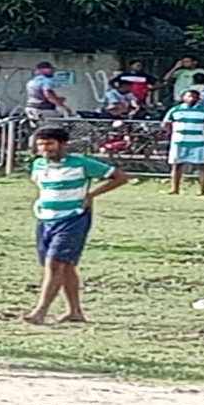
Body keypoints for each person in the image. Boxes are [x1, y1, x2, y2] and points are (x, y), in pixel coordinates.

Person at [23, 126, 128, 325]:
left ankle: (40, 311)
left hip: (73, 218)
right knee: (66, 266)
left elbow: (120, 177)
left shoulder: (81, 163)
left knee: (55, 263)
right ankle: (74, 311)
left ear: (63, 144)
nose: (45, 148)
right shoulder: (38, 164)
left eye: (49, 144)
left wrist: (91, 195)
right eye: (41, 144)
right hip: (45, 218)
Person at [163, 89, 204, 196]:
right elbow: (166, 123)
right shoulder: (175, 110)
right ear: (183, 98)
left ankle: (202, 191)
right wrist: (171, 133)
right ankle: (175, 189)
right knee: (177, 165)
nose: (192, 99)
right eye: (189, 96)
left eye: (194, 97)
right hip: (179, 141)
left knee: (202, 166)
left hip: (198, 142)